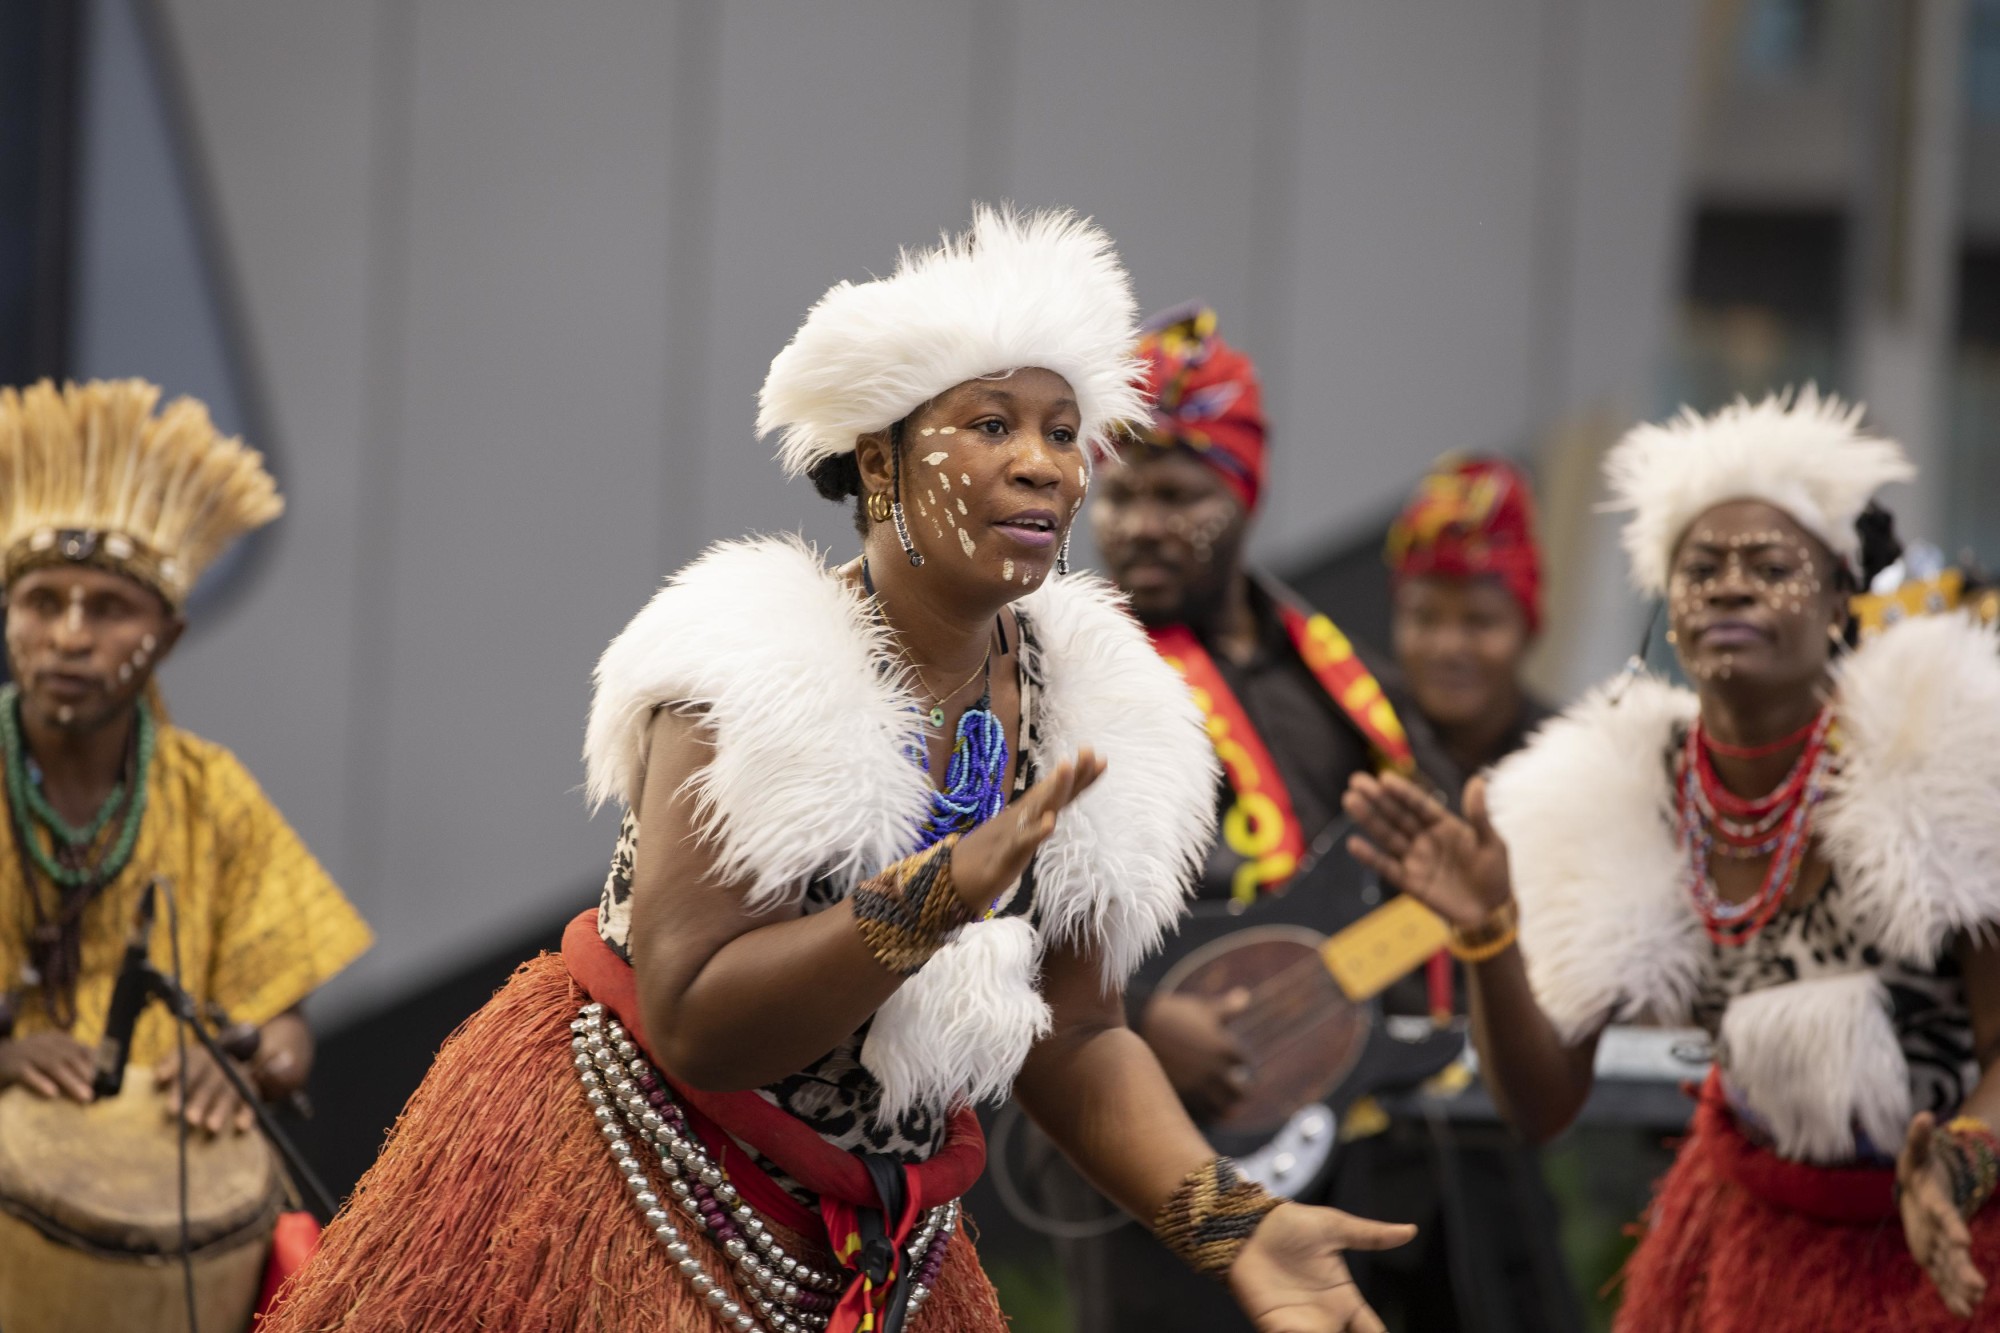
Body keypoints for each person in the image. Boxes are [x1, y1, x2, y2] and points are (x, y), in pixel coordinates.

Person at [267, 209, 1417, 1333]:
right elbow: (695, 1022)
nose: (1039, 465)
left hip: (877, 1242)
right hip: (616, 1196)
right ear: (882, 457)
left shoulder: (1094, 704)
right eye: (991, 426)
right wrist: (932, 900)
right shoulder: (746, 669)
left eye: (1063, 434)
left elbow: (1071, 1035)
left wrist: (1231, 1225)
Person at [1344, 388, 2000, 1331]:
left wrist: (1962, 1161)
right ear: (1672, 614)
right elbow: (1540, 1106)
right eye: (1702, 568)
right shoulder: (1619, 789)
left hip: (1949, 1243)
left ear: (1837, 598)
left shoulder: (1937, 756)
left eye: (1772, 565)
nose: (1730, 584)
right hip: (1746, 1240)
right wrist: (1489, 931)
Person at [1061, 306, 1511, 1333]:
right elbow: (1005, 897)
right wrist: (1131, 1015)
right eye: (1119, 492)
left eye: (1177, 495)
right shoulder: (1068, 678)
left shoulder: (1337, 684)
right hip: (1153, 1149)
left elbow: (1437, 879)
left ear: (1244, 494)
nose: (1140, 523)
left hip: (1348, 1135)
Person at [0, 377, 371, 1131]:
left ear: (167, 638)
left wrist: (243, 1061)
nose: (70, 636)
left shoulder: (213, 793)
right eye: (43, 603)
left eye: (108, 610)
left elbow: (285, 1034)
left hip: (165, 1182)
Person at [1386, 455, 1552, 780]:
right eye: (1425, 618)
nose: (1448, 647)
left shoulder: (1574, 765)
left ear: (1529, 631)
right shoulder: (1352, 743)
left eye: (1479, 621)